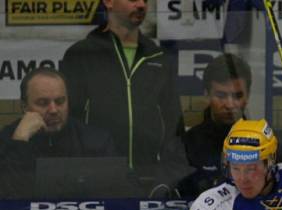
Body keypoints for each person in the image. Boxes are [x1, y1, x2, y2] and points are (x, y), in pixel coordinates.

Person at [61, 0, 188, 186]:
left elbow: (174, 123)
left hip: (150, 175)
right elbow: (70, 120)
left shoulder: (158, 57)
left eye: (145, 0)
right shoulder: (82, 54)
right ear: (109, 2)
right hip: (96, 176)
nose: (141, 5)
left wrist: (170, 173)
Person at [181, 53, 282, 196]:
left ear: (248, 95)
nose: (230, 105)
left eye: (237, 96)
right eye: (221, 95)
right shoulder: (185, 147)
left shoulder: (270, 147)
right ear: (206, 94)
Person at [0, 68, 117, 199]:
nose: (54, 110)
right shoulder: (7, 139)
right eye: (43, 103)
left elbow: (124, 192)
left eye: (60, 101)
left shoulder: (95, 140)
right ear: (24, 107)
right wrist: (20, 142)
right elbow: (7, 196)